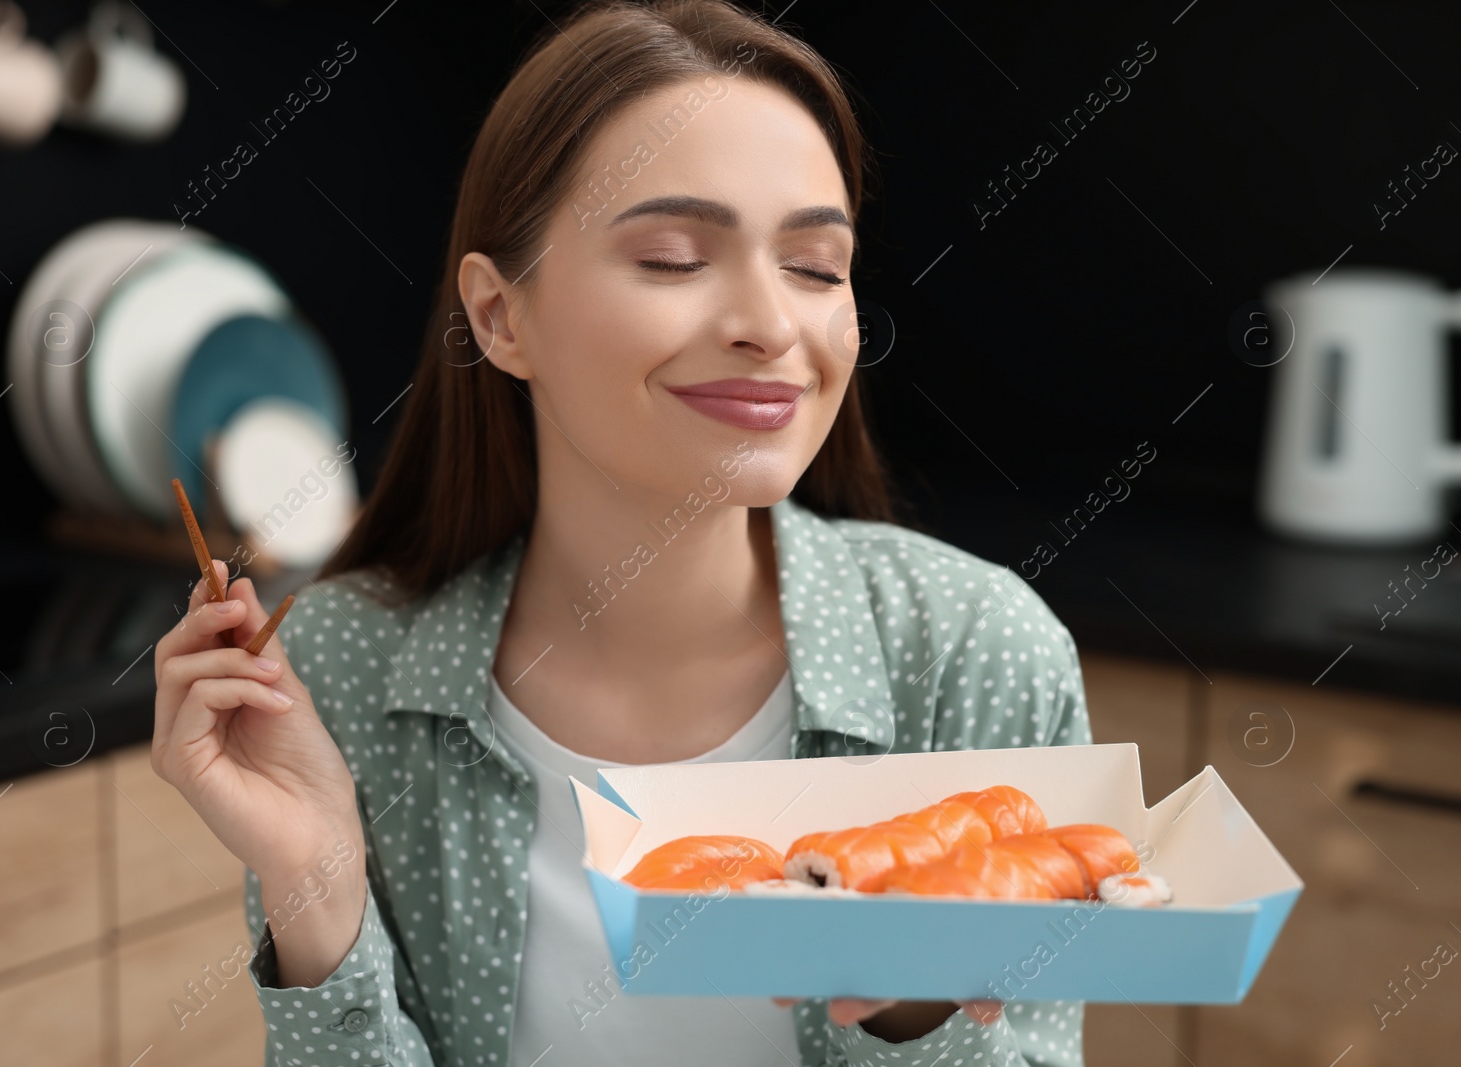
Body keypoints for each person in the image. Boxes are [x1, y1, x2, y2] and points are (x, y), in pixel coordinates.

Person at [151, 1, 1092, 1063]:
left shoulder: (976, 658)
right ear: (501, 318)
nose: (772, 324)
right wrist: (313, 886)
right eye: (673, 257)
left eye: (817, 267)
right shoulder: (339, 668)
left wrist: (910, 1012)